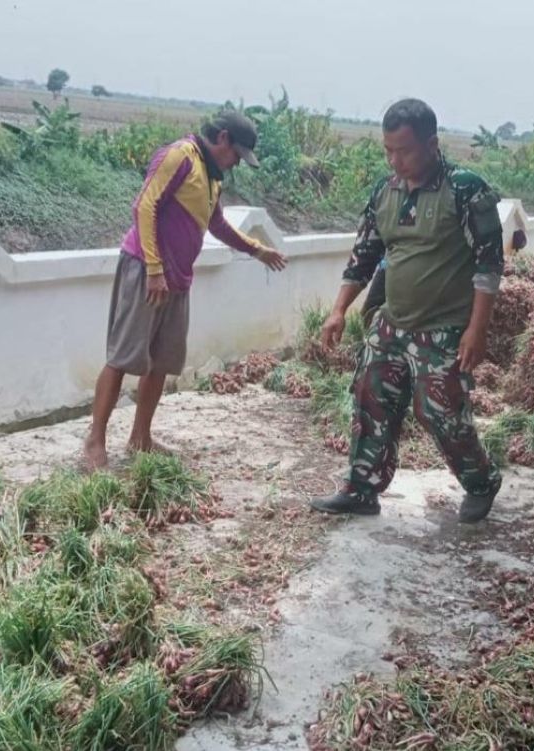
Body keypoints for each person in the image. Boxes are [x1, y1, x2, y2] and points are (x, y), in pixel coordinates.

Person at [310, 98, 505, 524]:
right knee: (370, 397)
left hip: (445, 330)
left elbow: (490, 265)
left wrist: (477, 330)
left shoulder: (466, 189)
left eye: (405, 150)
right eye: (388, 150)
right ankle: (362, 488)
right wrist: (339, 309)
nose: (395, 160)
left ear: (432, 145)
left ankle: (480, 481)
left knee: (439, 412)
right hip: (391, 323)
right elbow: (364, 255)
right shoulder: (386, 191)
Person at [83, 111, 288, 470]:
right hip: (147, 272)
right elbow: (144, 207)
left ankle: (140, 438)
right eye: (236, 155)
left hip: (177, 279)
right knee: (122, 357)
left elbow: (217, 225)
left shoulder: (211, 177)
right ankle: (95, 440)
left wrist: (257, 249)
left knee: (161, 361)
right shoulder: (179, 156)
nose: (236, 163)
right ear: (222, 138)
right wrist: (154, 269)